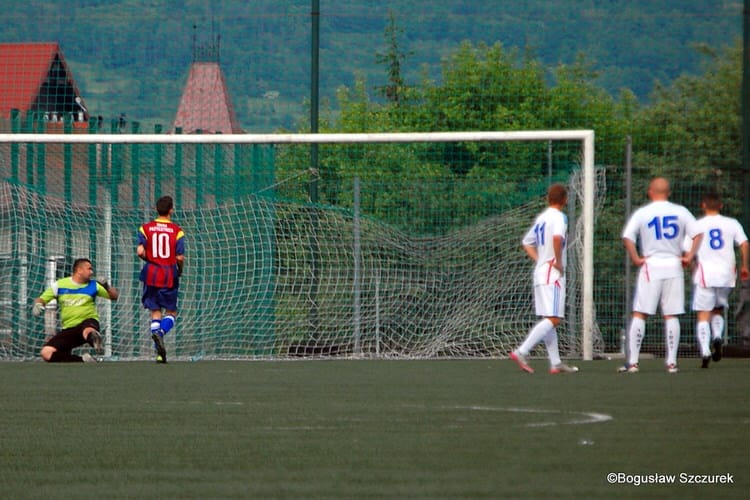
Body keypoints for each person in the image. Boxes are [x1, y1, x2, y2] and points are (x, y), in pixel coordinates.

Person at [620, 177, 701, 374]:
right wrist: (689, 256)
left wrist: (636, 258)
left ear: (650, 191)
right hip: (674, 265)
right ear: (669, 192)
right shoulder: (681, 211)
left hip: (651, 265)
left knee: (640, 312)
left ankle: (633, 362)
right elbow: (698, 234)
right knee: (671, 314)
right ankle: (671, 362)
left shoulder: (643, 212)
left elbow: (627, 237)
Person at [510, 183, 578, 374]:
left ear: (548, 199)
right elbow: (557, 239)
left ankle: (555, 363)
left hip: (540, 273)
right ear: (564, 200)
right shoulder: (559, 217)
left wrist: (541, 260)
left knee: (549, 319)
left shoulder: (542, 218)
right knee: (554, 318)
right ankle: (521, 351)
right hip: (552, 275)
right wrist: (556, 261)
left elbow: (527, 242)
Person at [688, 192, 749, 368]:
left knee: (703, 314)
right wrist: (745, 266)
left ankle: (705, 351)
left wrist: (692, 268)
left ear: (703, 206)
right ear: (721, 206)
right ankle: (717, 336)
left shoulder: (697, 225)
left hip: (705, 274)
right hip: (726, 275)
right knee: (718, 310)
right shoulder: (732, 223)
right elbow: (744, 244)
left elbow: (688, 251)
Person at [32, 258, 118, 362]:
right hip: (69, 328)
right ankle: (83, 360)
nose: (92, 272)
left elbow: (114, 296)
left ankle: (95, 340)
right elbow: (42, 299)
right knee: (46, 353)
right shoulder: (60, 285)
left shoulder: (94, 285)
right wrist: (38, 304)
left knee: (88, 329)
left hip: (88, 322)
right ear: (79, 270)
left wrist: (106, 286)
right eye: (89, 269)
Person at [137, 195, 185, 363]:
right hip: (168, 274)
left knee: (155, 312)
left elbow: (140, 252)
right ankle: (161, 334)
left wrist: (151, 260)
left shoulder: (145, 228)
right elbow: (179, 258)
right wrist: (180, 270)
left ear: (156, 210)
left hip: (150, 274)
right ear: (171, 210)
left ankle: (159, 352)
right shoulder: (177, 231)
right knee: (171, 312)